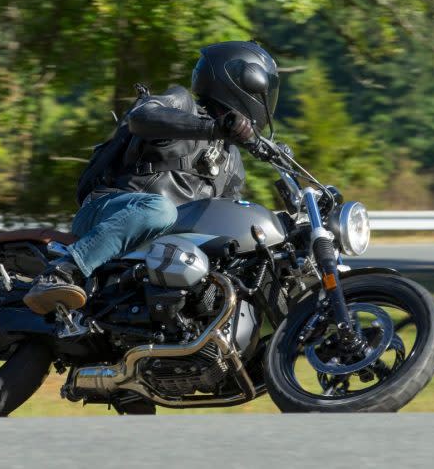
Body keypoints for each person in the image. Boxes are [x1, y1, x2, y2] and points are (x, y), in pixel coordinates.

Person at [23, 40, 280, 315]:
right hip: (109, 211)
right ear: (248, 82)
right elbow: (142, 117)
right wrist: (213, 128)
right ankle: (63, 272)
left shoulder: (233, 162)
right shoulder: (182, 104)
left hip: (164, 251)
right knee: (159, 209)